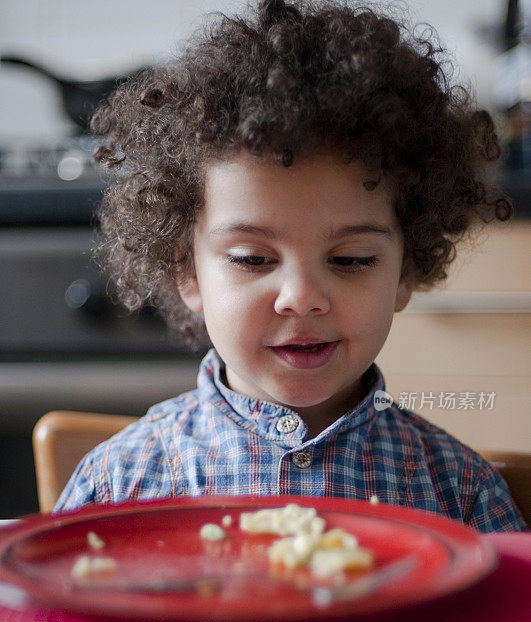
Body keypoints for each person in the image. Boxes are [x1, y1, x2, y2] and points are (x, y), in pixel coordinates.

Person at [55, 0, 526, 532]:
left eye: (351, 259)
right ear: (187, 273)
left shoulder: (459, 493)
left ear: (405, 273)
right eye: (253, 258)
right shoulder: (120, 484)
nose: (301, 296)